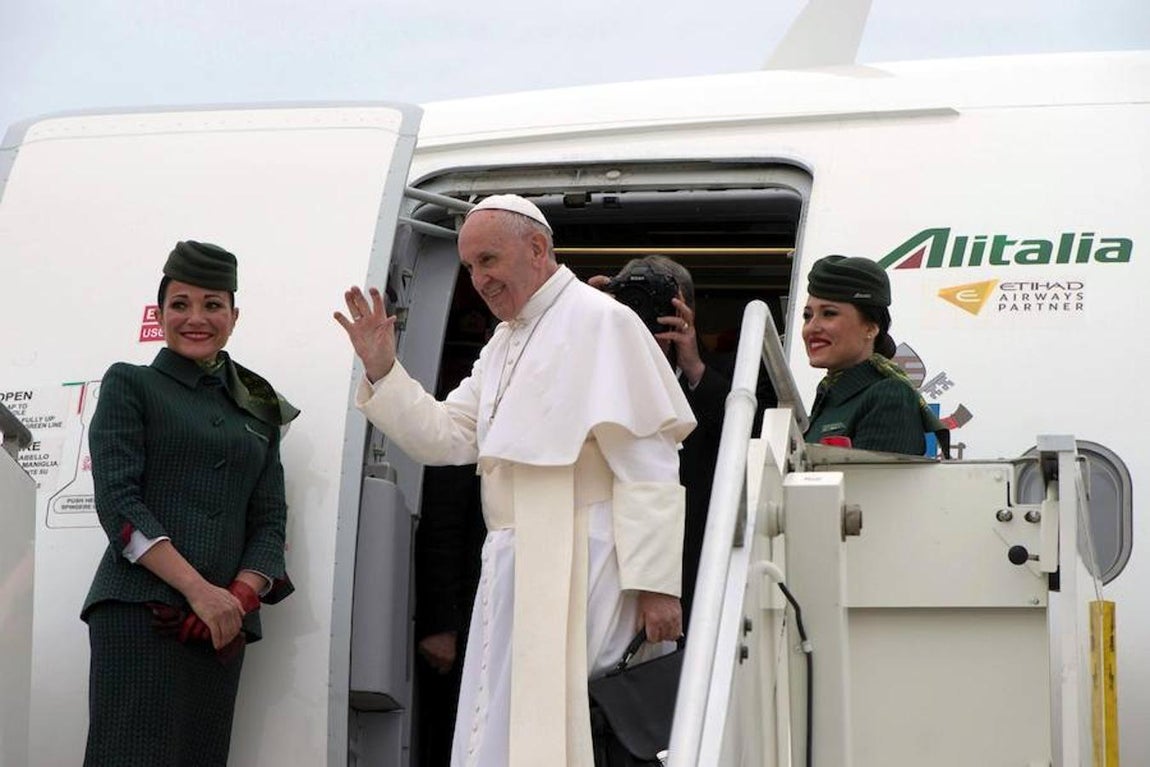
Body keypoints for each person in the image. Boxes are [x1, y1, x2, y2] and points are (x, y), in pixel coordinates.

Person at [334, 194, 696, 767]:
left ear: (536, 248)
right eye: (470, 266)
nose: (478, 279)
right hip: (513, 556)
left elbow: (650, 463)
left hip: (590, 555)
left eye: (488, 261)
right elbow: (448, 436)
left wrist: (656, 585)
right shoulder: (503, 341)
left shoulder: (602, 320)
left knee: (576, 722)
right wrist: (384, 369)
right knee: (504, 727)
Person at [82, 241, 298, 766]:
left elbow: (270, 520)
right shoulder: (131, 384)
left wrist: (235, 599)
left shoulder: (257, 405)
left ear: (233, 315)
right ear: (160, 315)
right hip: (143, 613)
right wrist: (200, 591)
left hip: (219, 630)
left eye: (212, 304)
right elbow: (119, 503)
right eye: (180, 304)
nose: (195, 318)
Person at [593, 255, 777, 625]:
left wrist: (694, 367)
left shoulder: (730, 376)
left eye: (658, 301)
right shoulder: (596, 369)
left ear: (686, 308)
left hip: (698, 556)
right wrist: (584, 319)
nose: (645, 312)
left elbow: (751, 438)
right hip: (611, 561)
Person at [801, 254, 948, 456]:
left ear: (870, 327)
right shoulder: (830, 395)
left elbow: (877, 486)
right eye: (807, 316)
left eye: (829, 313)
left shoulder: (889, 396)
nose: (812, 327)